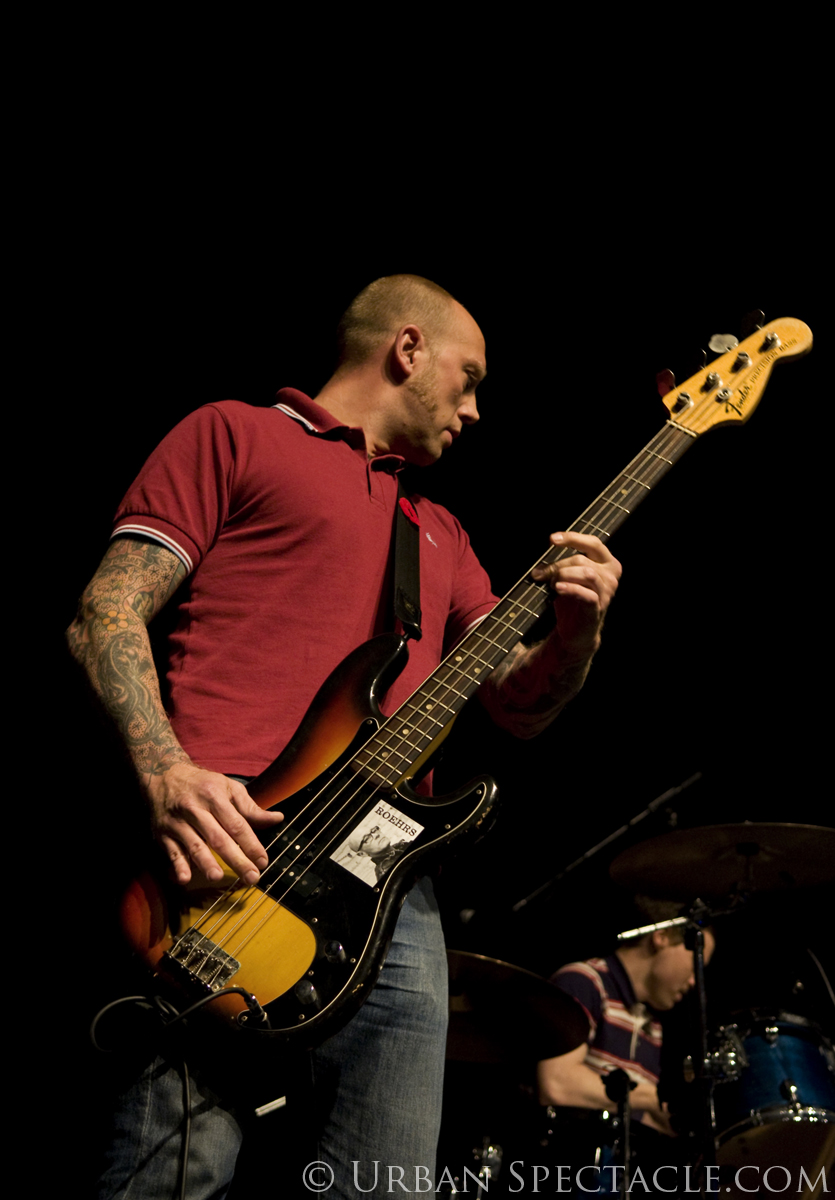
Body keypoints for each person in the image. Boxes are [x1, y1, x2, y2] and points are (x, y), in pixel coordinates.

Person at [68, 274, 622, 1199]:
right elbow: (106, 612)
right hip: (232, 853)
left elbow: (517, 707)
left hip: (390, 894)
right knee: (178, 1173)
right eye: (469, 378)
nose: (475, 411)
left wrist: (577, 636)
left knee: (387, 1185)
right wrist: (166, 774)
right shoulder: (235, 433)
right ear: (407, 348)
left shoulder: (440, 532)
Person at [536, 900, 715, 1191]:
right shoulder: (585, 982)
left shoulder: (651, 1023)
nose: (695, 981)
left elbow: (633, 1117)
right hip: (565, 1175)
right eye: (695, 962)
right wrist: (653, 1098)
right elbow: (556, 1082)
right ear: (662, 937)